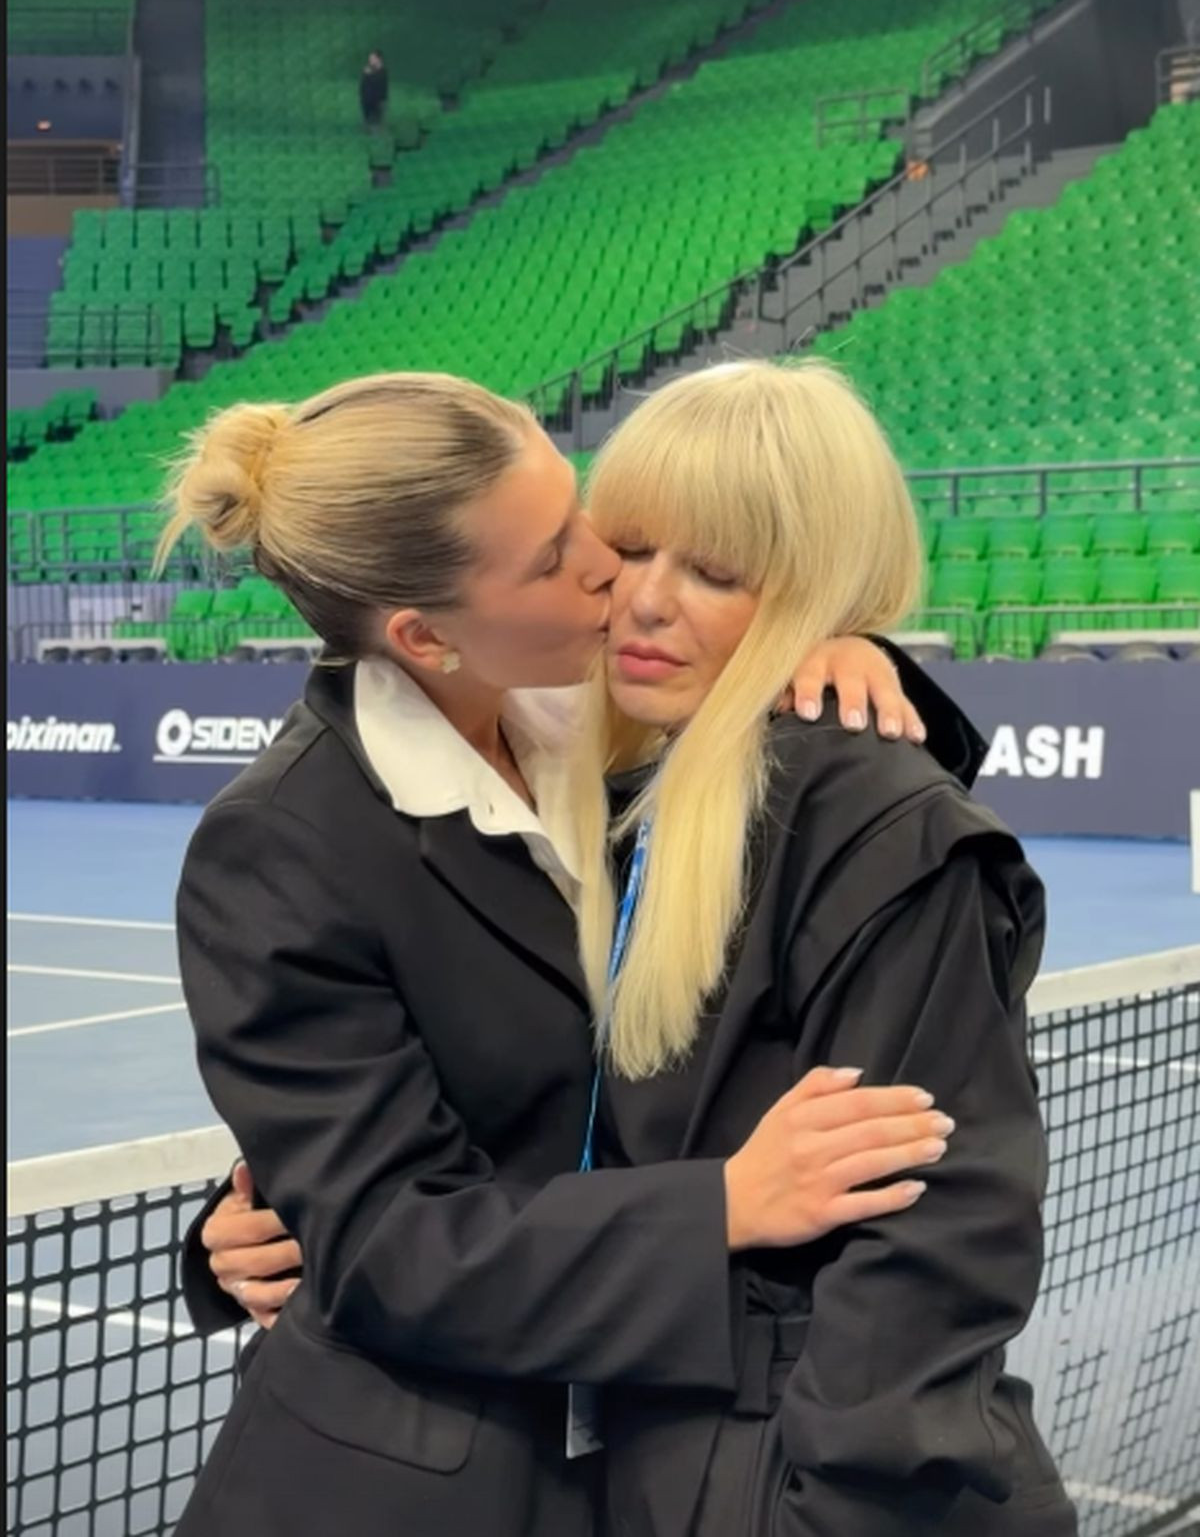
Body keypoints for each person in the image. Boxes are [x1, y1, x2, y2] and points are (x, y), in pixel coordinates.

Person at [200, 362, 1073, 1536]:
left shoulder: (718, 772)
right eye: (605, 547)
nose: (624, 586)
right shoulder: (360, 821)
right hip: (475, 1467)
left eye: (708, 568)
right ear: (424, 633)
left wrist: (843, 648)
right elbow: (423, 1178)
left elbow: (932, 1253)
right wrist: (285, 1205)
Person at [359, 49, 388, 128]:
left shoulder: (383, 72)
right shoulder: (368, 71)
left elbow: (378, 85)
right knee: (366, 124)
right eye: (370, 58)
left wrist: (369, 75)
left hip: (377, 102)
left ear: (379, 59)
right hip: (366, 101)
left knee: (375, 125)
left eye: (373, 58)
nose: (370, 60)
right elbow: (363, 85)